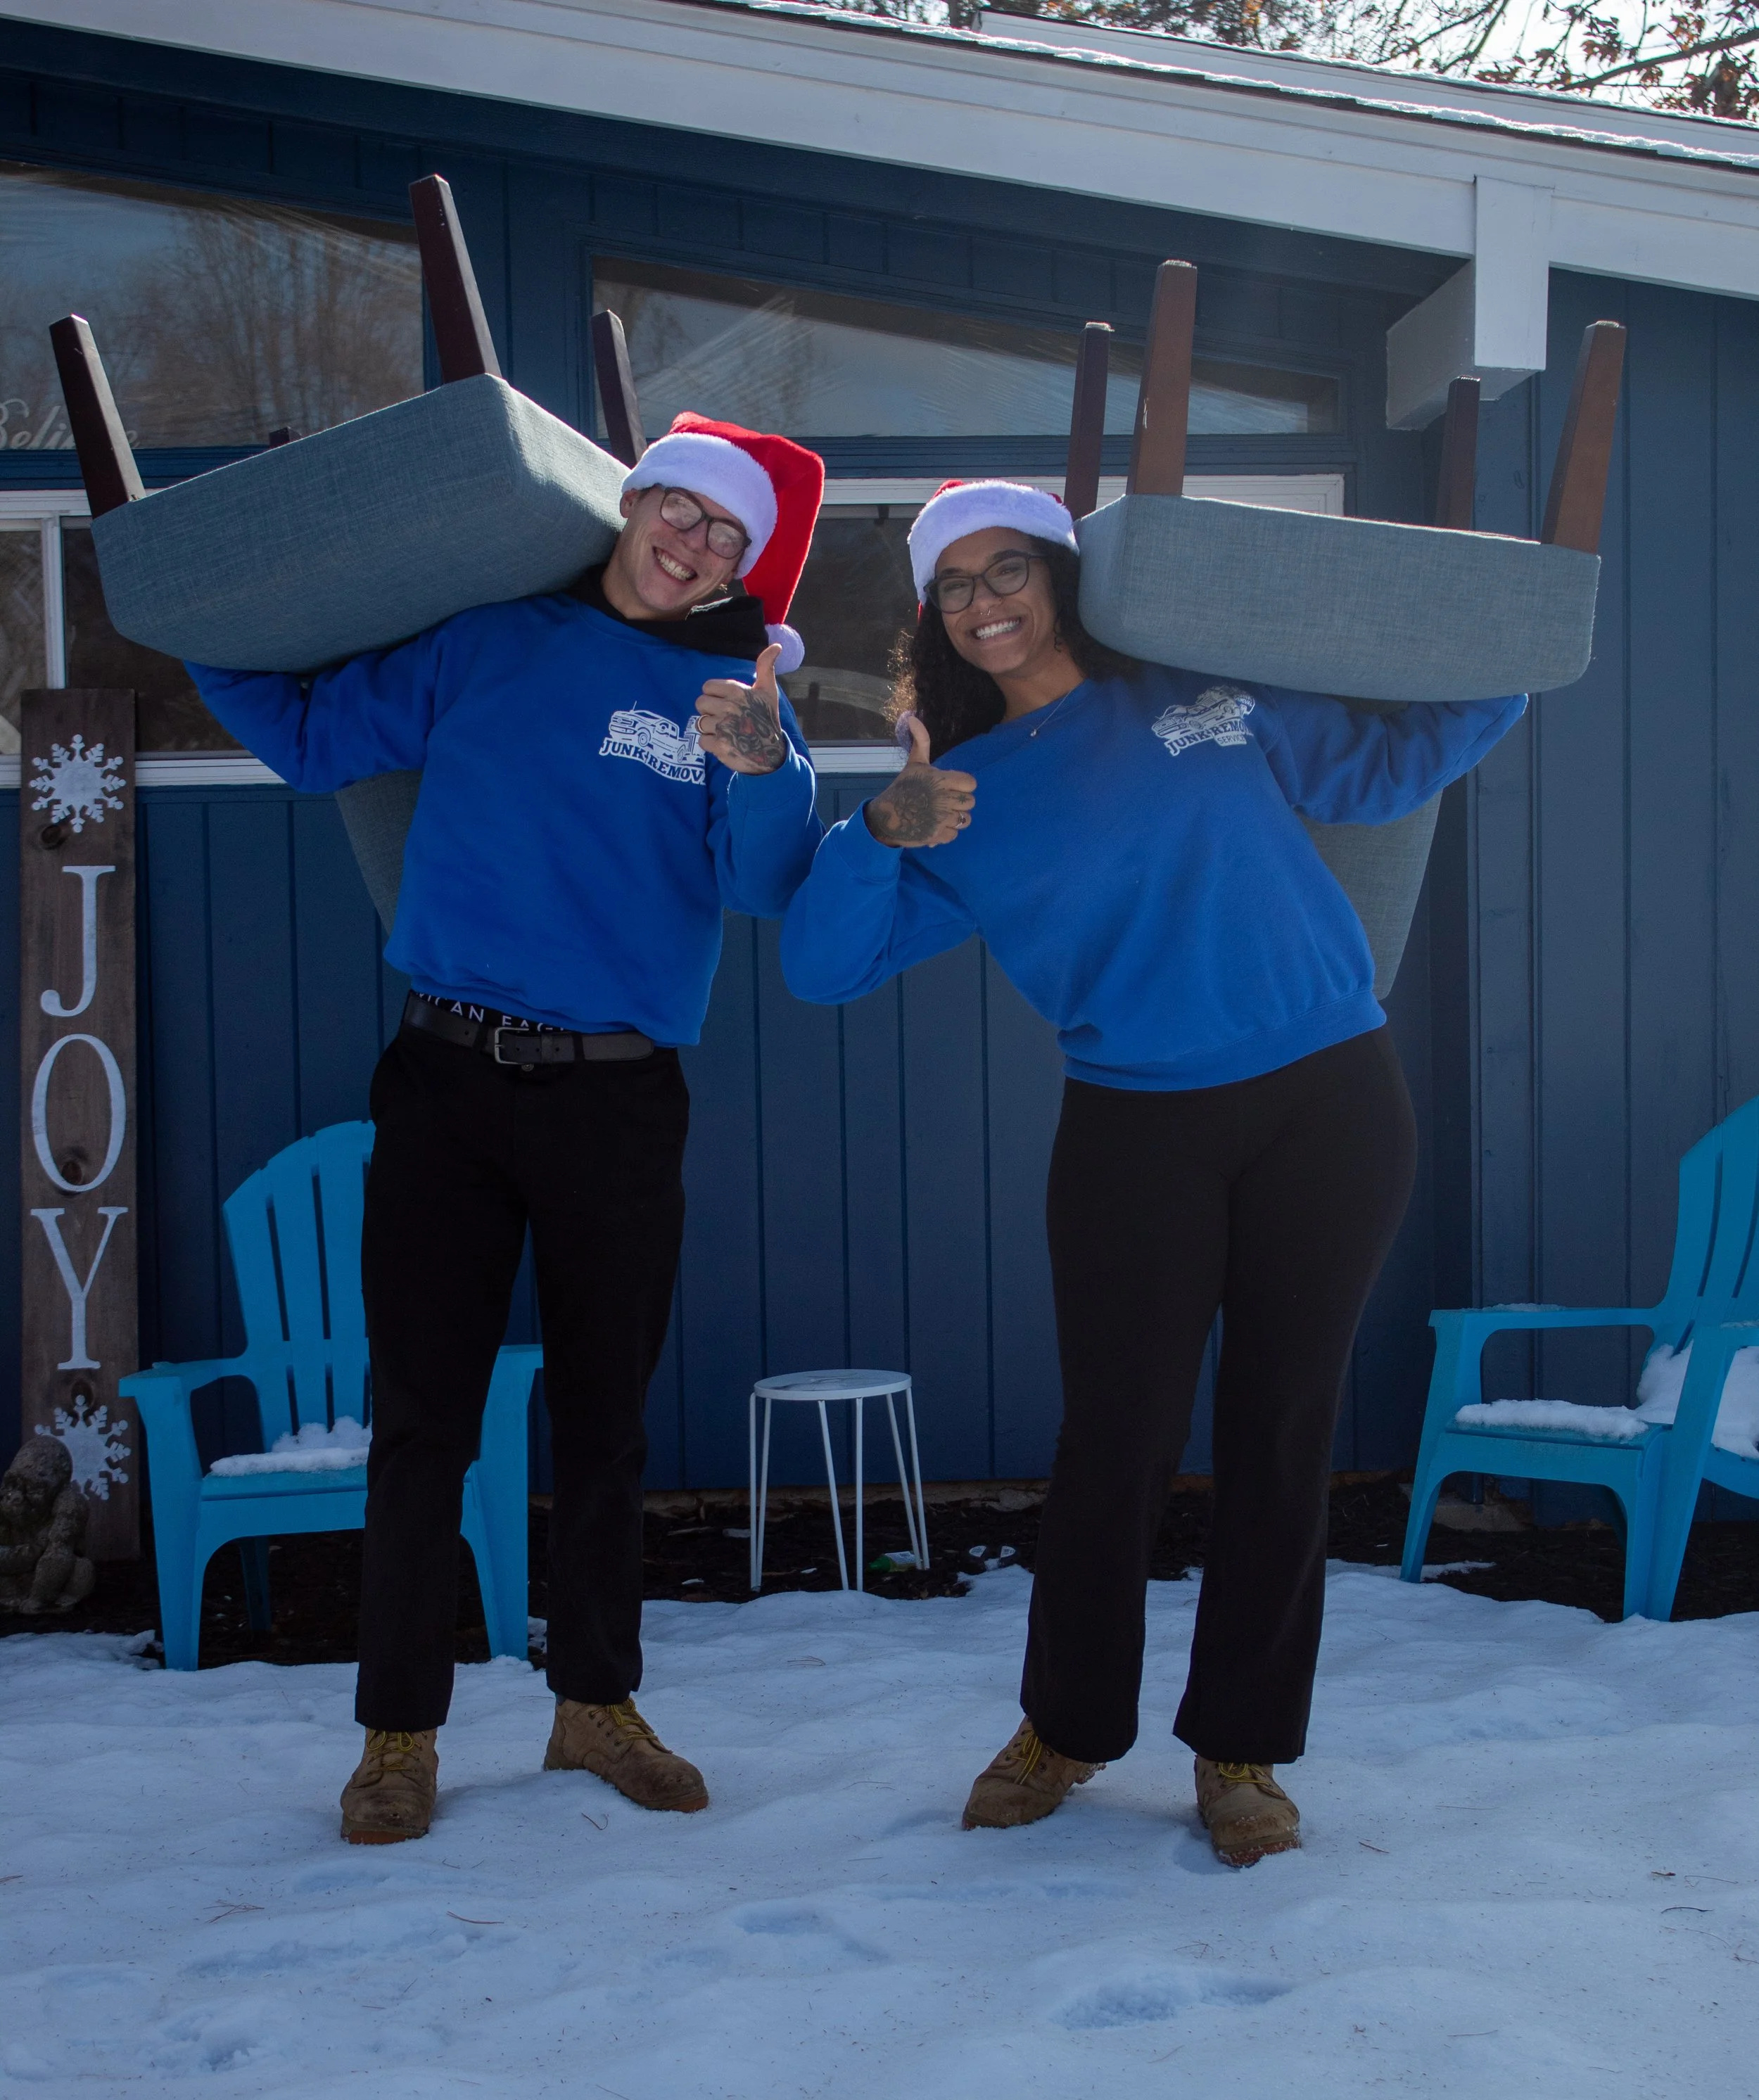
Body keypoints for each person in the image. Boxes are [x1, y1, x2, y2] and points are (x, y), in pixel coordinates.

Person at [780, 478, 1525, 1866]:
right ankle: (1064, 1727)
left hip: (1328, 1101)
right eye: (954, 583)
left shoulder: (1204, 696)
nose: (985, 599)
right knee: (1112, 1443)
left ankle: (1237, 1749)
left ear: (1064, 577)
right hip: (1135, 1131)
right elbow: (825, 968)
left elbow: (1379, 767)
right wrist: (873, 832)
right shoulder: (958, 790)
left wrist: (1518, 654)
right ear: (932, 615)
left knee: (1277, 1429)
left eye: (1011, 568)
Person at [188, 414, 826, 1845]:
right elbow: (305, 733)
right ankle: (397, 1733)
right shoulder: (487, 640)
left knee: (604, 1420)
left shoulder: (730, 690)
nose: (694, 545)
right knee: (423, 1419)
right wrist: (188, 619)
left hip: (617, 1096)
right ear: (630, 501)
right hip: (446, 1081)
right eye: (678, 509)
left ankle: (594, 1703)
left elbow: (776, 885)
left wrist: (767, 754)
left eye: (727, 536)